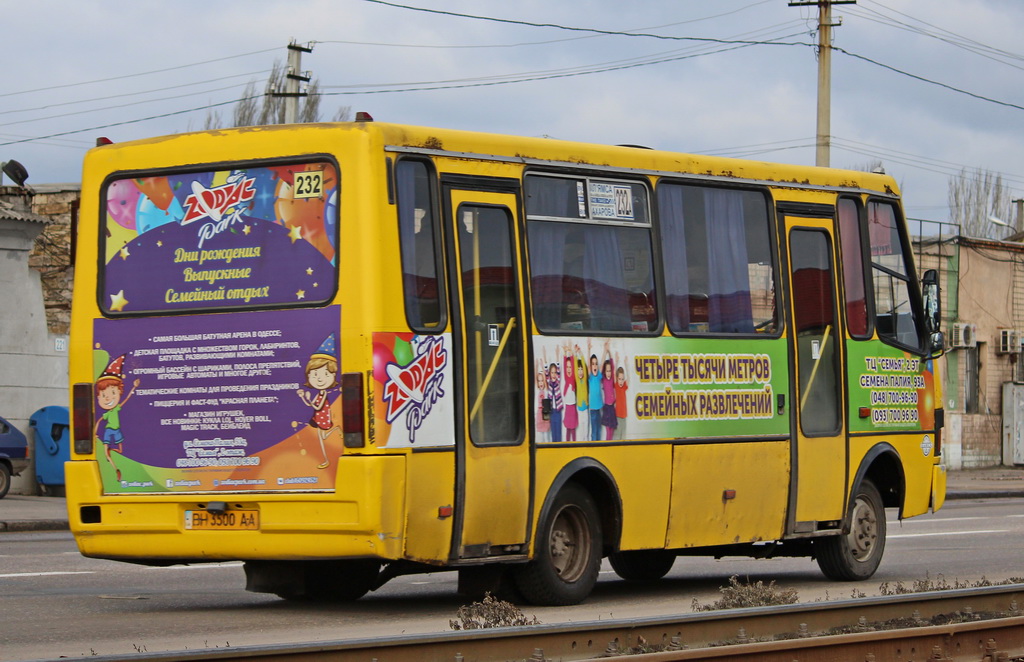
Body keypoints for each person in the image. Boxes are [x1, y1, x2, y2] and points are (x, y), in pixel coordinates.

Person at [94, 354, 139, 482]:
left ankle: (112, 456)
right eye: (103, 395)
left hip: (115, 430)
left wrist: (134, 387)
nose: (108, 398)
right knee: (107, 452)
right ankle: (113, 464)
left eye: (113, 393)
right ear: (98, 397)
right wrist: (95, 434)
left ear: (119, 392)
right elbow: (98, 421)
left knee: (120, 449)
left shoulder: (116, 408)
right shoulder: (109, 412)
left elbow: (126, 399)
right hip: (110, 430)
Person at [297, 333, 340, 469]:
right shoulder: (318, 394)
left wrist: (307, 398)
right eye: (315, 374)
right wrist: (304, 397)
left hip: (322, 418)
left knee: (322, 439)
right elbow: (311, 405)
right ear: (308, 375)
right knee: (323, 437)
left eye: (325, 374)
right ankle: (337, 429)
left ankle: (326, 460)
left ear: (333, 376)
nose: (320, 379)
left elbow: (317, 406)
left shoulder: (324, 392)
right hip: (319, 418)